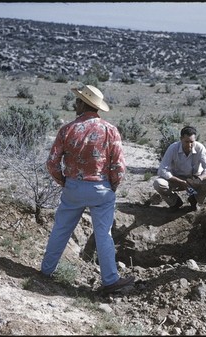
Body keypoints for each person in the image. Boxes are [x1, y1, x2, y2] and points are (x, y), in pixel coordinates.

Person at [41, 84, 135, 294]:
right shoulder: (110, 130)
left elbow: (52, 163)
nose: (75, 103)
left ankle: (46, 271)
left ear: (84, 104)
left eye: (77, 100)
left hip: (73, 186)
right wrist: (112, 185)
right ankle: (110, 280)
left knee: (61, 229)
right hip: (101, 188)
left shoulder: (67, 129)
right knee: (104, 234)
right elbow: (119, 166)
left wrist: (64, 181)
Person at [153, 126, 206, 211]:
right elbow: (162, 170)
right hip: (176, 179)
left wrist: (200, 178)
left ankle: (195, 200)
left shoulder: (200, 148)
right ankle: (175, 202)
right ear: (181, 139)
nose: (189, 145)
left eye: (192, 142)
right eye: (186, 142)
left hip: (194, 179)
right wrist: (181, 182)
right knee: (158, 183)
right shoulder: (173, 148)